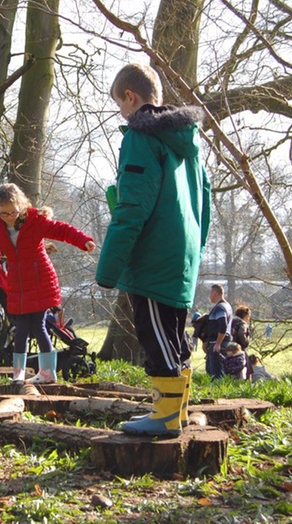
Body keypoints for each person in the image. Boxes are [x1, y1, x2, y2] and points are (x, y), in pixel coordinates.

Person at [95, 63, 211, 438]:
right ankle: (176, 411)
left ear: (131, 97)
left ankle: (164, 415)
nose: (121, 113)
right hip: (182, 251)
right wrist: (195, 246)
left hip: (154, 253)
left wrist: (109, 268)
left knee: (154, 332)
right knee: (174, 334)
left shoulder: (140, 136)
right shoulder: (187, 138)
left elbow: (133, 206)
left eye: (119, 104)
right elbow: (204, 201)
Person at [0, 183, 95, 385]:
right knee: (21, 329)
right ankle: (18, 374)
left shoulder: (35, 221)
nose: (9, 217)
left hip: (40, 280)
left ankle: (48, 372)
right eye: (3, 213)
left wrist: (83, 241)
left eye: (13, 212)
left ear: (22, 206)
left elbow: (61, 230)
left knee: (40, 327)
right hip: (17, 283)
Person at [205, 284, 233, 380]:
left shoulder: (220, 307)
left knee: (216, 372)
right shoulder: (227, 305)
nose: (209, 296)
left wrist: (217, 343)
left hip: (218, 342)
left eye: (210, 293)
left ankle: (217, 389)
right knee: (212, 368)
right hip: (223, 341)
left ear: (215, 293)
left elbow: (223, 325)